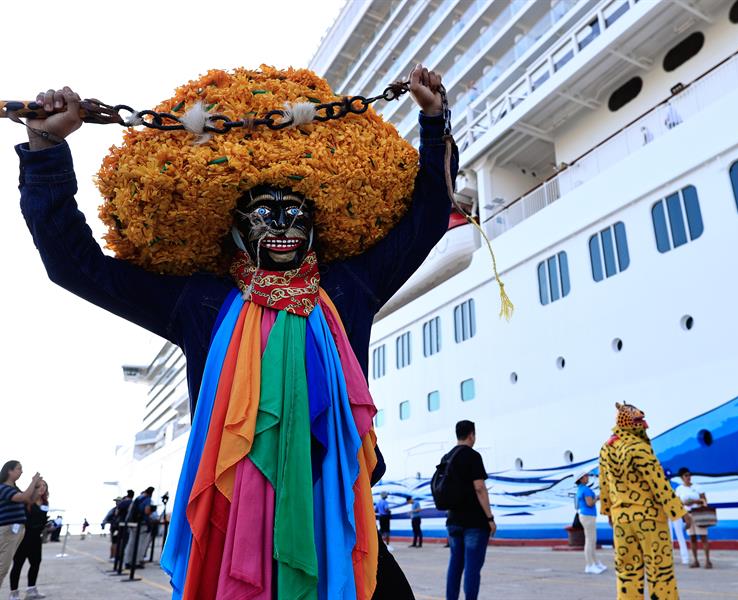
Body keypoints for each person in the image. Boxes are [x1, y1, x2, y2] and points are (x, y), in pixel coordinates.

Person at [17, 63, 455, 599]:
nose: (282, 227)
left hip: (343, 517)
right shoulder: (201, 303)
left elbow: (427, 220)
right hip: (236, 531)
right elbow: (74, 264)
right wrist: (45, 151)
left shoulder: (349, 287)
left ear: (316, 225)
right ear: (234, 230)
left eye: (295, 212)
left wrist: (434, 122)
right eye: (264, 214)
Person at [599, 403, 685, 600]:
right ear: (630, 423)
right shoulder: (639, 448)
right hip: (649, 519)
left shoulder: (606, 449)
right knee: (660, 571)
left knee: (627, 572)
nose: (645, 426)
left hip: (621, 520)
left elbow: (604, 484)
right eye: (640, 421)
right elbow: (659, 484)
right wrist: (679, 512)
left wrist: (609, 511)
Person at [443, 420, 495, 600]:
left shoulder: (447, 457)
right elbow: (479, 487)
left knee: (455, 566)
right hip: (474, 523)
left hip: (453, 521)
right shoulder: (472, 456)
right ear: (471, 434)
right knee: (472, 568)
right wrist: (490, 518)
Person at [0, 462, 42, 585]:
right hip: (7, 531)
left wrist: (35, 488)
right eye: (19, 469)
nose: (21, 471)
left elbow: (30, 500)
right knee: (2, 567)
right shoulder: (3, 488)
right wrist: (33, 482)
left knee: (3, 566)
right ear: (9, 471)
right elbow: (23, 497)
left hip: (14, 532)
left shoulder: (13, 489)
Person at [9, 480, 50, 600]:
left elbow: (42, 521)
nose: (42, 488)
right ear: (34, 487)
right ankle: (14, 594)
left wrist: (49, 525)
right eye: (39, 485)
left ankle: (31, 590)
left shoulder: (45, 502)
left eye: (44, 486)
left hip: (36, 538)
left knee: (36, 563)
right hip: (23, 538)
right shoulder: (26, 501)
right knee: (18, 564)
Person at [675, 467, 711, 569]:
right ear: (682, 477)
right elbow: (677, 503)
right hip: (688, 514)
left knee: (703, 537)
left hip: (699, 513)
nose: (688, 477)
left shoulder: (698, 487)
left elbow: (704, 500)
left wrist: (694, 502)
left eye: (689, 475)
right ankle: (695, 560)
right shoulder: (679, 489)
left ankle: (708, 560)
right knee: (693, 538)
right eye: (686, 475)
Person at [574, 470, 606, 574]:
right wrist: (597, 497)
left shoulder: (580, 489)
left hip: (585, 515)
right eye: (586, 476)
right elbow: (590, 504)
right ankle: (589, 565)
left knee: (592, 540)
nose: (588, 477)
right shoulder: (586, 490)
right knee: (590, 541)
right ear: (581, 479)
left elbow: (578, 505)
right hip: (588, 516)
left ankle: (595, 563)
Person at [124, 487, 154, 569]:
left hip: (132, 523)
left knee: (131, 543)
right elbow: (147, 511)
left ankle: (127, 561)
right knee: (140, 544)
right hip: (141, 524)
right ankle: (136, 562)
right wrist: (152, 511)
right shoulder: (147, 499)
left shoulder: (138, 498)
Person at [666, 470, 690, 566]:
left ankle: (685, 558)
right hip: (668, 513)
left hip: (675, 512)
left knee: (679, 535)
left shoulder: (677, 486)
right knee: (669, 537)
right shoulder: (675, 486)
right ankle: (671, 558)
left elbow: (679, 500)